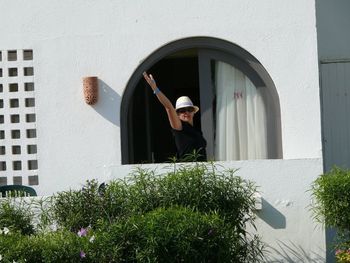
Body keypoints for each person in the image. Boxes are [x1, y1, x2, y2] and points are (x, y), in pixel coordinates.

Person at [143, 72, 207, 161]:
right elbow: (168, 107)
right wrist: (155, 89)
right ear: (177, 114)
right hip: (188, 171)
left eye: (189, 109)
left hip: (202, 171)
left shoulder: (197, 131)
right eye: (182, 111)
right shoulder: (179, 128)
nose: (186, 112)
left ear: (193, 112)